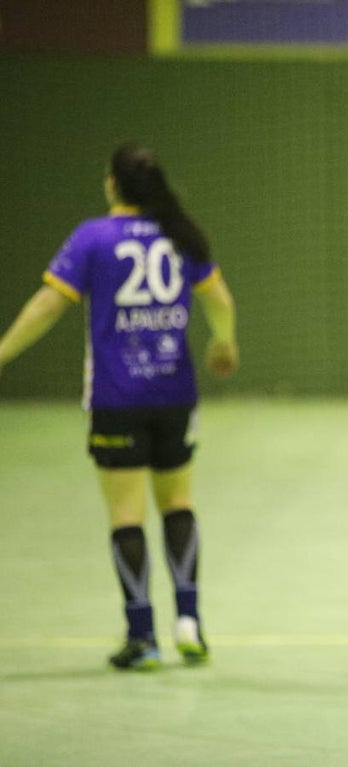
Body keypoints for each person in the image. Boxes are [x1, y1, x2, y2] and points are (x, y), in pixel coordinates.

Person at [0, 143, 238, 668]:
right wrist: (224, 342)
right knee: (177, 503)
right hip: (174, 394)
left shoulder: (93, 238)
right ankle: (190, 622)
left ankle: (142, 636)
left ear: (112, 184)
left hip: (116, 397)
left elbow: (46, 306)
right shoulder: (181, 235)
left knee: (126, 514)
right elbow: (219, 300)